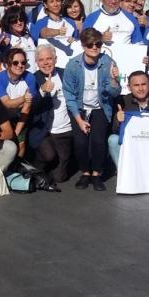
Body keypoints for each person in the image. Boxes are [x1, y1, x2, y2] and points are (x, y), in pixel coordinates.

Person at [62, 28, 122, 191]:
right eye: (90, 44)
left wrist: (114, 80)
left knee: (98, 141)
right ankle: (85, 172)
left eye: (98, 44)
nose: (94, 47)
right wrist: (79, 119)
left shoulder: (108, 62)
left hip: (100, 107)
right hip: (80, 108)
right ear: (83, 45)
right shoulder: (73, 65)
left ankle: (96, 173)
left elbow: (115, 93)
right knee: (80, 142)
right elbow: (69, 94)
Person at [29, 44, 73, 185]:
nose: (46, 63)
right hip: (44, 131)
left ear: (55, 59)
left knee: (59, 178)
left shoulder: (65, 74)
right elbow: (30, 107)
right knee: (48, 155)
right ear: (36, 62)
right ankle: (33, 169)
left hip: (65, 131)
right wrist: (42, 91)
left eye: (49, 58)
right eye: (41, 60)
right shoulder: (32, 79)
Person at [107, 71, 149, 165]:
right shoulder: (123, 102)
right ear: (129, 87)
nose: (141, 88)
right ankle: (123, 171)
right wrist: (118, 121)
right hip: (133, 142)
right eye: (136, 85)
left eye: (143, 84)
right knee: (113, 139)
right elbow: (115, 130)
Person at [0, 48, 37, 157]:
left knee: (20, 143)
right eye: (15, 63)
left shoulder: (30, 78)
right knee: (0, 145)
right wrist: (23, 98)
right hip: (0, 116)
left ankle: (18, 165)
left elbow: (26, 108)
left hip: (19, 115)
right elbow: (7, 104)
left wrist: (16, 132)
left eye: (23, 62)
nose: (20, 65)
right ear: (7, 65)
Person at [31, 0, 80, 68]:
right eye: (52, 1)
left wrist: (74, 40)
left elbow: (77, 41)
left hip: (69, 67)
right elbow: (44, 32)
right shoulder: (41, 22)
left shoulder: (70, 22)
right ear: (45, 5)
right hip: (49, 68)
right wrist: (58, 32)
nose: (55, 4)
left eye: (58, 1)